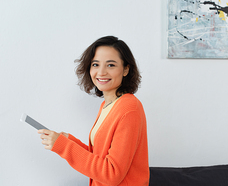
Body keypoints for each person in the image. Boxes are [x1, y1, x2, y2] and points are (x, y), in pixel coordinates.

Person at [37, 36, 149, 186]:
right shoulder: (107, 105)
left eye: (110, 65)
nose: (101, 72)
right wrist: (70, 141)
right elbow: (100, 158)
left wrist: (64, 146)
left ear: (126, 69)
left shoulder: (129, 108)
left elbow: (111, 173)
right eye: (95, 64)